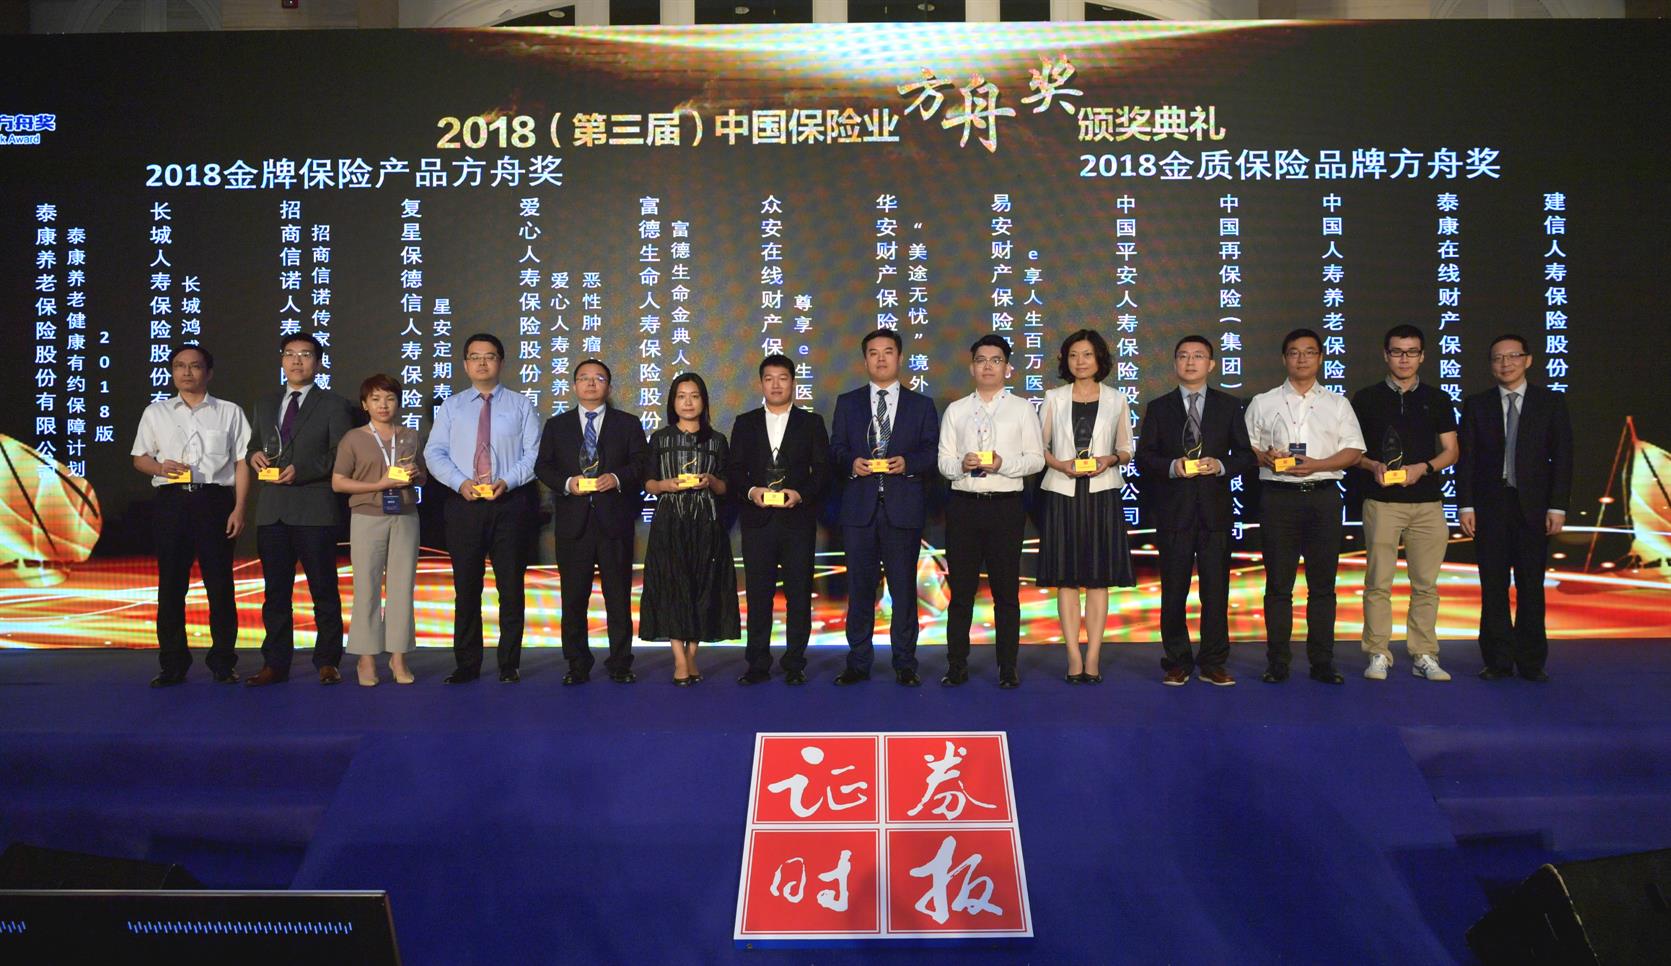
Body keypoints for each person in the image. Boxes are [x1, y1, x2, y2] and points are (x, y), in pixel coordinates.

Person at [1245, 328, 1366, 685]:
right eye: (1294, 352)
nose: (1302, 359)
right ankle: (1277, 662)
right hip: (1277, 498)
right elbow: (1246, 446)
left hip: (1322, 498)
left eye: (1309, 352)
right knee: (1278, 585)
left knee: (1323, 586)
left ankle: (1322, 662)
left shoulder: (1337, 403)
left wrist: (1318, 465)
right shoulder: (1263, 402)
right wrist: (1263, 457)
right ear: (1284, 358)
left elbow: (1353, 451)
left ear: (1321, 358)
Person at [1135, 335, 1256, 687]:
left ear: (1211, 364)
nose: (1190, 362)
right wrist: (1173, 467)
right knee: (1174, 591)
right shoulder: (1159, 407)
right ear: (1175, 363)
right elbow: (1145, 458)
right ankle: (1177, 660)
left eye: (1198, 356)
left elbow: (1246, 456)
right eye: (1184, 356)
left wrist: (1220, 465)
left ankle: (1213, 662)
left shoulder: (1229, 406)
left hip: (1215, 513)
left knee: (1216, 592)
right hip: (1174, 513)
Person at [423, 333, 541, 684]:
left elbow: (533, 454)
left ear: (501, 362)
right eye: (475, 357)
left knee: (511, 587)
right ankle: (467, 664)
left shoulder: (521, 405)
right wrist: (460, 482)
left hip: (510, 504)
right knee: (466, 588)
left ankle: (509, 664)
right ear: (465, 364)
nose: (482, 363)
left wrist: (508, 481)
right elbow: (434, 452)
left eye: (489, 356)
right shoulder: (452, 406)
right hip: (465, 504)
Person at [131, 344, 251, 687]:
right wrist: (159, 467)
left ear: (208, 373)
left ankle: (223, 662)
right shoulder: (156, 412)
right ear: (172, 372)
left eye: (195, 366)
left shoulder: (229, 411)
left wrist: (240, 507)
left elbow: (242, 461)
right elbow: (139, 458)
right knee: (170, 585)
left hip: (215, 501)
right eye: (179, 366)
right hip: (171, 502)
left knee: (220, 585)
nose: (186, 372)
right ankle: (172, 664)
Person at [1458, 334, 1573, 683]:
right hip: (1490, 507)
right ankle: (1497, 660)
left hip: (1534, 508)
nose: (1505, 364)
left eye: (1512, 356)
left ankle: (1531, 661)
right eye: (1497, 358)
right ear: (1490, 364)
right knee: (1492, 586)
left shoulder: (1549, 402)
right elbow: (1467, 460)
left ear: (1528, 360)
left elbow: (1563, 458)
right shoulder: (1477, 405)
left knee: (1530, 585)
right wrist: (1465, 505)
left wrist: (1557, 507)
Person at [828, 327, 939, 687]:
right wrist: (851, 463)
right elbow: (836, 449)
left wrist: (908, 463)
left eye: (888, 352)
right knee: (860, 589)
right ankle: (858, 662)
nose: (880, 359)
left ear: (900, 358)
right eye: (873, 353)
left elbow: (932, 452)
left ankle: (905, 663)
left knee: (903, 590)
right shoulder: (848, 403)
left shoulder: (921, 405)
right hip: (859, 510)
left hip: (902, 509)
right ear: (865, 360)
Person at [1351, 325, 1459, 683]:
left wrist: (1423, 468)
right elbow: (1352, 453)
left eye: (1411, 352)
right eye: (1397, 351)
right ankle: (1378, 652)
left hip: (1427, 503)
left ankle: (1423, 653)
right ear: (1386, 355)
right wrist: (1372, 466)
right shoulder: (1366, 398)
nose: (1404, 358)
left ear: (1422, 356)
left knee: (1425, 584)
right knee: (1378, 582)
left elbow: (1451, 451)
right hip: (1382, 501)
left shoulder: (1438, 398)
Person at [935, 335, 1044, 689]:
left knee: (1006, 593)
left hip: (1005, 508)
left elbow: (1036, 460)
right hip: (964, 507)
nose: (987, 366)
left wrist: (1002, 464)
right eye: (981, 360)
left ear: (1007, 368)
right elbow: (943, 462)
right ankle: (956, 666)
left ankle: (1007, 667)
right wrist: (961, 465)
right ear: (972, 367)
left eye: (996, 360)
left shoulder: (1022, 409)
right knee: (961, 593)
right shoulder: (956, 410)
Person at [245, 333, 354, 687]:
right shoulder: (265, 403)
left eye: (305, 355)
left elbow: (341, 454)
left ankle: (328, 661)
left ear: (318, 362)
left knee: (323, 590)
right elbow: (253, 445)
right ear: (281, 360)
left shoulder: (334, 404)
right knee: (275, 593)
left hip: (314, 509)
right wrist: (253, 456)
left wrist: (303, 471)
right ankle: (275, 663)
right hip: (272, 510)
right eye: (290, 354)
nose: (296, 361)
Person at [534, 359, 649, 685]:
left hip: (614, 522)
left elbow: (642, 463)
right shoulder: (557, 426)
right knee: (573, 599)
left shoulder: (627, 424)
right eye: (583, 378)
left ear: (608, 387)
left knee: (618, 597)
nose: (590, 383)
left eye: (598, 378)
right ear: (574, 386)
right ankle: (577, 664)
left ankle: (621, 663)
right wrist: (568, 484)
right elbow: (543, 467)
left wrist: (616, 477)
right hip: (574, 524)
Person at [1038, 329, 1135, 684]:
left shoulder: (1116, 399)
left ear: (1100, 360)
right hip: (1062, 493)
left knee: (1098, 579)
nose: (1080, 361)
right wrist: (1060, 463)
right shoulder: (1053, 398)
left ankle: (1093, 656)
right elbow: (1039, 448)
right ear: (1065, 361)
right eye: (1074, 355)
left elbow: (1127, 448)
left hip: (1101, 493)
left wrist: (1110, 459)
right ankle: (1072, 656)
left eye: (1087, 355)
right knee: (1066, 580)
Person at [727, 354, 830, 686]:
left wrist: (800, 494)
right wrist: (751, 491)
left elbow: (823, 471)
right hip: (757, 522)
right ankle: (757, 663)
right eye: (769, 378)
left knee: (799, 595)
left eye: (782, 378)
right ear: (761, 383)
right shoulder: (745, 422)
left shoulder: (811, 423)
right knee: (758, 596)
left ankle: (795, 663)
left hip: (797, 522)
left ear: (793, 383)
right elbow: (733, 471)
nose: (775, 385)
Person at [639, 373, 740, 684]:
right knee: (672, 586)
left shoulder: (717, 440)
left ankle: (692, 654)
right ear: (673, 402)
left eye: (694, 396)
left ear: (704, 402)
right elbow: (648, 482)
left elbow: (726, 487)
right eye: (681, 396)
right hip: (670, 521)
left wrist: (711, 481)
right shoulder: (660, 439)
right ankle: (679, 659)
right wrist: (665, 485)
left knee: (703, 585)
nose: (688, 402)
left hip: (707, 521)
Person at [332, 374, 426, 687]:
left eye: (389, 398)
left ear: (398, 403)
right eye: (375, 399)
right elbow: (338, 482)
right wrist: (379, 485)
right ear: (365, 404)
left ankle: (398, 656)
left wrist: (416, 474)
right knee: (367, 587)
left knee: (402, 588)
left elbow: (422, 477)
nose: (383, 405)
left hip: (405, 516)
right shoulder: (353, 438)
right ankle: (367, 657)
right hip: (366, 516)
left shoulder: (410, 435)